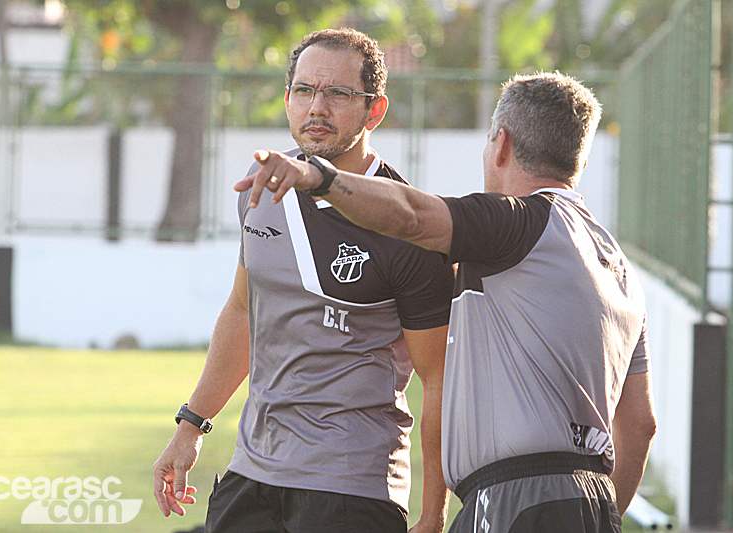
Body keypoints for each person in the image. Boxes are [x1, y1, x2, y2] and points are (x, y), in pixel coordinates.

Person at [239, 71, 658, 532]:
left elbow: (412, 216)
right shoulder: (617, 266)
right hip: (593, 500)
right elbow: (641, 426)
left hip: (513, 498)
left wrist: (318, 176)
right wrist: (599, 516)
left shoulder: (516, 223)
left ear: (501, 144)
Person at [152, 28, 454, 533]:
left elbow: (439, 377)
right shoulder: (260, 188)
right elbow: (244, 311)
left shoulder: (408, 225)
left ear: (374, 110)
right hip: (252, 473)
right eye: (305, 90)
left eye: (338, 93)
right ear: (287, 98)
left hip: (352, 487)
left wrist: (433, 513)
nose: (317, 107)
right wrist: (191, 425)